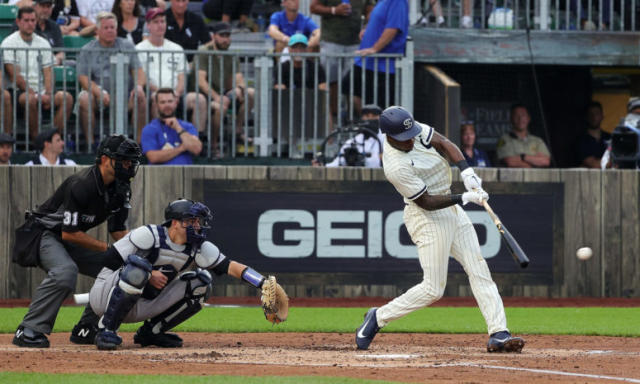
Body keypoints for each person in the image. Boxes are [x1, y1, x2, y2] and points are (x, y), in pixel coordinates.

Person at [355, 106, 525, 353]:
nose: (411, 139)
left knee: (479, 268)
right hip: (427, 217)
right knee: (433, 289)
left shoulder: (409, 128)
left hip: (451, 208)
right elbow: (426, 201)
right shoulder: (395, 166)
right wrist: (464, 197)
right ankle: (378, 317)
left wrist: (467, 171)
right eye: (405, 139)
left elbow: (444, 143)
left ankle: (498, 333)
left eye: (411, 133)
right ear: (389, 137)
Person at [89, 199, 282, 350]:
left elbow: (230, 266)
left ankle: (152, 332)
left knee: (201, 282)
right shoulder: (148, 235)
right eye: (191, 221)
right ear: (175, 223)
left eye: (198, 221)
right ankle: (107, 330)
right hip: (105, 297)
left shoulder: (197, 247)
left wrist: (263, 283)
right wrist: (149, 273)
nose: (197, 226)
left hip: (143, 303)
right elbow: (109, 260)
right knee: (137, 269)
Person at [12, 135, 142, 348]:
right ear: (105, 159)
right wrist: (108, 249)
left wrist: (134, 251)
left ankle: (86, 328)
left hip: (67, 236)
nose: (128, 165)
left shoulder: (121, 188)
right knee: (65, 272)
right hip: (42, 233)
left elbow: (118, 230)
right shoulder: (82, 184)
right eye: (123, 160)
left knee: (119, 268)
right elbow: (69, 233)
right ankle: (28, 329)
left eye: (131, 161)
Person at [1, 6, 74, 141]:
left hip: (41, 90)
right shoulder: (9, 43)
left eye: (33, 20)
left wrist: (48, 93)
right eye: (26, 20)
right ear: (18, 22)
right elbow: (15, 76)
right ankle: (37, 141)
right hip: (18, 91)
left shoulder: (43, 43)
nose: (30, 24)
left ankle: (52, 138)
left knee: (66, 98)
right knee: (29, 99)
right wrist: (34, 94)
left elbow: (48, 72)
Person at [77, 11, 147, 147]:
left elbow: (138, 70)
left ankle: (139, 145)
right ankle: (90, 146)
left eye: (112, 27)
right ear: (97, 30)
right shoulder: (87, 49)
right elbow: (83, 78)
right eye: (106, 28)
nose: (110, 31)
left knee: (141, 96)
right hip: (99, 98)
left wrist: (138, 86)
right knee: (84, 98)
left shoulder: (127, 45)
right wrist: (98, 92)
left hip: (125, 96)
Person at [136, 8, 206, 131]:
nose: (160, 25)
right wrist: (163, 93)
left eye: (163, 21)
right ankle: (159, 140)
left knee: (199, 99)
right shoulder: (139, 49)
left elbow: (182, 76)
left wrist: (176, 94)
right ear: (148, 26)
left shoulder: (176, 48)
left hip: (176, 94)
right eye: (156, 22)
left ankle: (197, 141)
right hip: (153, 92)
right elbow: (143, 78)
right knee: (157, 98)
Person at [196, 22, 256, 154]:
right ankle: (213, 146)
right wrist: (217, 97)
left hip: (223, 93)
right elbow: (201, 82)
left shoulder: (230, 55)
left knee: (250, 93)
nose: (225, 39)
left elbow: (239, 78)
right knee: (221, 106)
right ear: (214, 36)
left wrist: (239, 89)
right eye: (222, 36)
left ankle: (237, 132)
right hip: (204, 96)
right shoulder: (204, 52)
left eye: (228, 36)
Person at [310, 0, 374, 120]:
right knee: (330, 82)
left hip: (355, 43)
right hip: (330, 42)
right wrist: (334, 10)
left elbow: (369, 9)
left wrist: (367, 25)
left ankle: (353, 119)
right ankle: (331, 118)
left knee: (352, 83)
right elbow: (313, 7)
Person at [343, 0, 408, 112]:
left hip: (383, 65)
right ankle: (365, 123)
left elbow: (393, 28)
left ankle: (373, 126)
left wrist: (375, 49)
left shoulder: (398, 1)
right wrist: (366, 29)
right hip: (366, 61)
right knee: (348, 87)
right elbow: (379, 19)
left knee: (380, 108)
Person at [141, 88, 202, 165]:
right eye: (162, 102)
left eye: (170, 101)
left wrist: (178, 128)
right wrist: (182, 148)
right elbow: (153, 157)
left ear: (176, 103)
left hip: (185, 174)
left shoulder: (188, 126)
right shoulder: (149, 129)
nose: (167, 105)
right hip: (159, 175)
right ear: (156, 105)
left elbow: (196, 149)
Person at [316, 104, 383, 168]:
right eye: (367, 116)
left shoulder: (387, 139)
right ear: (362, 118)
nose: (370, 118)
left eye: (374, 116)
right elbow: (337, 163)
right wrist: (322, 166)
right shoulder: (354, 141)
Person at [496, 104, 551, 168]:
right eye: (516, 115)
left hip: (536, 177)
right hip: (513, 177)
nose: (520, 118)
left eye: (523, 115)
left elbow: (546, 161)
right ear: (511, 119)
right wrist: (534, 162)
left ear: (528, 118)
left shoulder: (537, 141)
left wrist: (523, 157)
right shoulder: (503, 140)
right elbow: (510, 162)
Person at [576, 101, 610, 168]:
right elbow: (593, 164)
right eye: (591, 114)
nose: (594, 117)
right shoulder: (581, 140)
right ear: (586, 117)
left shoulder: (610, 138)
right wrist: (610, 163)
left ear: (602, 116)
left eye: (597, 113)